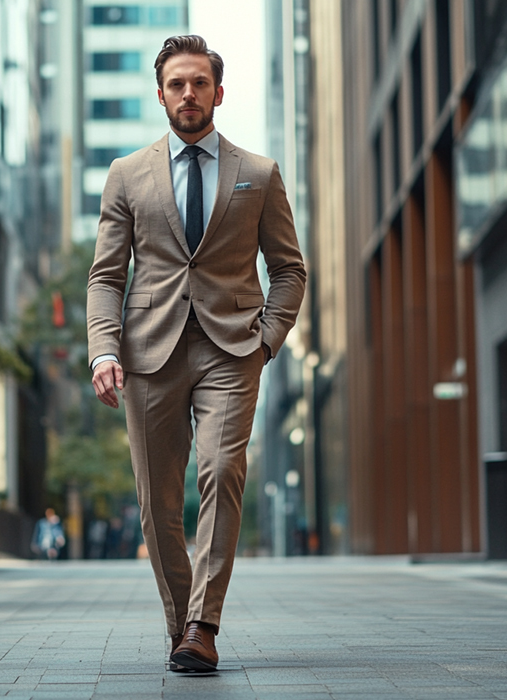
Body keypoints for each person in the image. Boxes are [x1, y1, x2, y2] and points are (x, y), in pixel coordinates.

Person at [87, 35, 306, 673]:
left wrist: (267, 338)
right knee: (157, 501)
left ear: (217, 91)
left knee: (221, 470)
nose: (189, 93)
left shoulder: (258, 174)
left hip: (231, 349)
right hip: (147, 353)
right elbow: (106, 275)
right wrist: (103, 349)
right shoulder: (126, 174)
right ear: (161, 94)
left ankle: (203, 628)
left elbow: (289, 269)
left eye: (199, 83)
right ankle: (182, 623)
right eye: (177, 84)